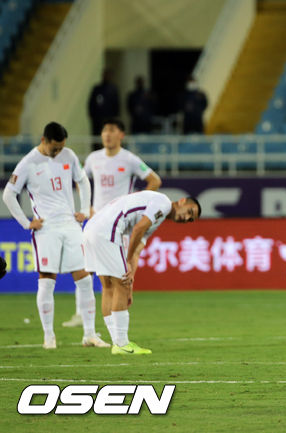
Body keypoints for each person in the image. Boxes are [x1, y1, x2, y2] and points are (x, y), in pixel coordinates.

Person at [2, 122, 109, 349]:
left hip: (70, 224)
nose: (58, 152)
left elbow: (83, 180)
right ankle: (49, 336)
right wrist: (26, 222)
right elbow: (9, 194)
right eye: (55, 148)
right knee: (47, 281)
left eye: (61, 147)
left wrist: (85, 208)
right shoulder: (28, 163)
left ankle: (89, 334)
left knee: (85, 279)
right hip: (46, 228)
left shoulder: (68, 156)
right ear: (44, 140)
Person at [61, 118, 162, 328]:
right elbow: (81, 180)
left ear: (121, 135)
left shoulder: (130, 159)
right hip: (95, 220)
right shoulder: (93, 158)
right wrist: (86, 205)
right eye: (105, 130)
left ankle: (117, 318)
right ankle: (81, 314)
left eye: (112, 130)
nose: (107, 134)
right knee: (84, 269)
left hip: (119, 226)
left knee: (117, 275)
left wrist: (138, 202)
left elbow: (155, 180)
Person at [82, 191, 201, 355]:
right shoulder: (164, 203)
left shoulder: (157, 213)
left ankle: (117, 343)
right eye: (189, 212)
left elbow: (137, 249)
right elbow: (138, 229)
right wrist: (127, 262)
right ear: (181, 201)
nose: (187, 218)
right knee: (121, 285)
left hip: (91, 229)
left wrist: (131, 280)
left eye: (191, 219)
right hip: (108, 230)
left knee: (109, 286)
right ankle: (122, 343)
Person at [88, 69, 120, 138]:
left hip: (109, 120)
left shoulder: (113, 89)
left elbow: (116, 105)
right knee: (97, 138)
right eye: (105, 75)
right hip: (97, 120)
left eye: (108, 75)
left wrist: (115, 117)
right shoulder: (97, 89)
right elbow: (91, 104)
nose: (107, 77)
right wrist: (92, 115)